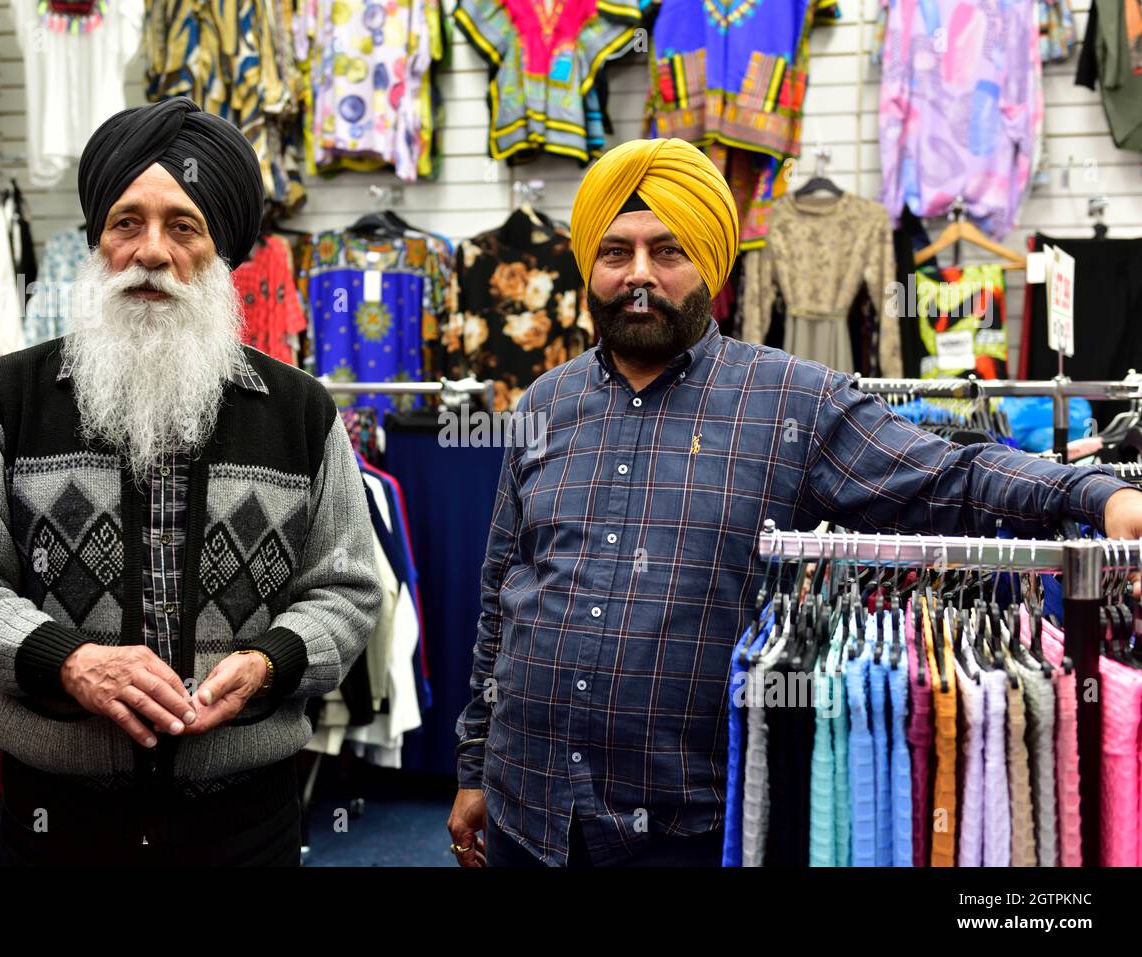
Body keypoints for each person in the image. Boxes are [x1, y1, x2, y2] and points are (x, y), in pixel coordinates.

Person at [446, 136, 1142, 868]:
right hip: (529, 805)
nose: (640, 275)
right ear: (590, 264)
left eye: (668, 251)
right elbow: (502, 594)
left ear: (711, 266)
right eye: (616, 252)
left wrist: (1099, 495)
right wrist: (473, 765)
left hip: (683, 827)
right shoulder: (545, 403)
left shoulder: (791, 400)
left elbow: (949, 475)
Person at [0, 97, 381, 867]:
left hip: (244, 823)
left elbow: (350, 589)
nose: (152, 251)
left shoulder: (300, 411)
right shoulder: (6, 396)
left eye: (182, 225)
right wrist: (69, 660)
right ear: (98, 241)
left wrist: (269, 662)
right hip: (56, 824)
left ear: (220, 249)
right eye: (127, 222)